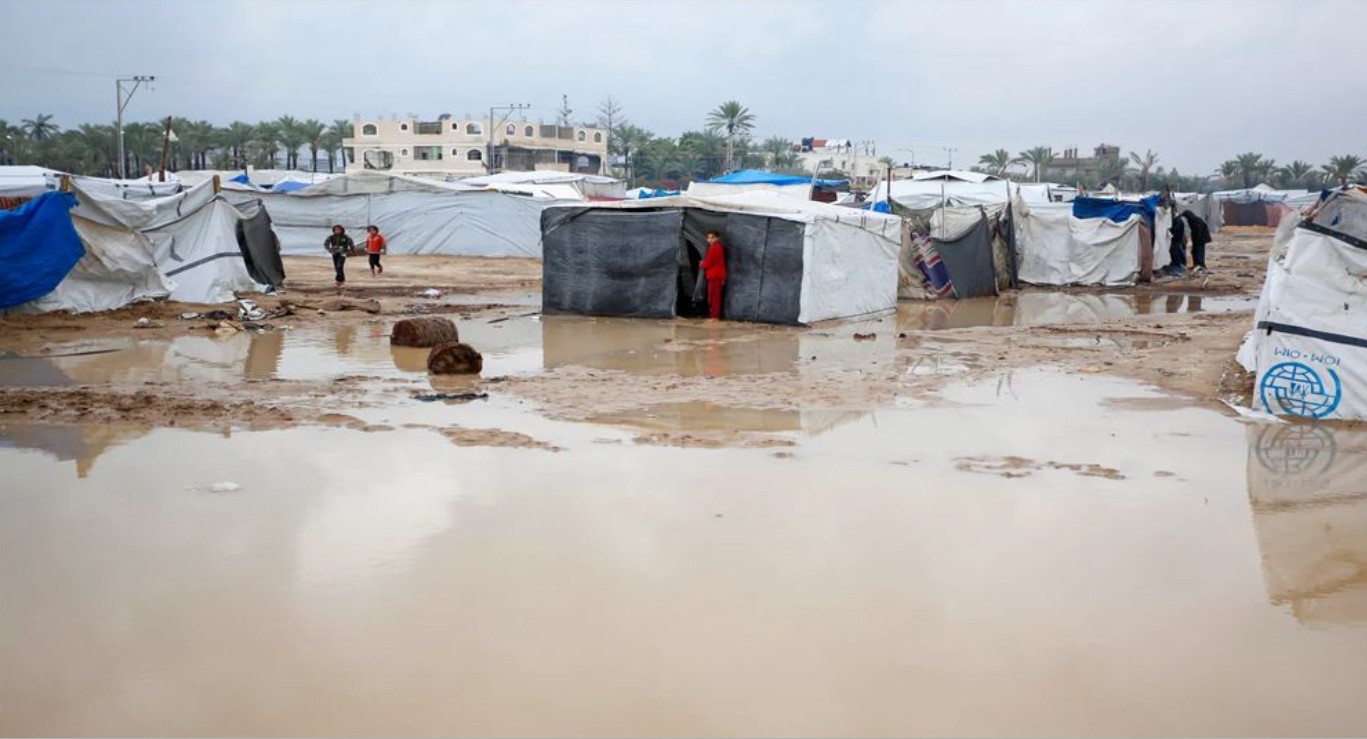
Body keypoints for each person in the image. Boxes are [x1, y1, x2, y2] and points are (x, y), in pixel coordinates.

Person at [699, 230, 727, 320]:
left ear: (717, 238)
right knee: (712, 296)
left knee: (714, 297)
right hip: (714, 275)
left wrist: (701, 264)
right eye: (708, 238)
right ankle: (713, 316)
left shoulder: (715, 248)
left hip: (715, 275)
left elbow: (708, 263)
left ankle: (715, 317)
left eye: (712, 237)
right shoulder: (714, 247)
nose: (710, 240)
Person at [1181, 209, 1212, 274]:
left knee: (1199, 252)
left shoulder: (1195, 221)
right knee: (1195, 252)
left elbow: (1198, 232)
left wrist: (1196, 241)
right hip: (1199, 239)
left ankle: (1200, 265)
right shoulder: (1194, 220)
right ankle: (1196, 264)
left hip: (1201, 239)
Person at [1164, 212, 1187, 277]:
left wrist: (1171, 236)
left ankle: (1178, 267)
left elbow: (1175, 231)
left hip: (1176, 240)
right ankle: (1179, 265)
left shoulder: (1177, 221)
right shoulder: (1179, 220)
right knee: (1178, 252)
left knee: (1176, 253)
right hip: (1178, 240)